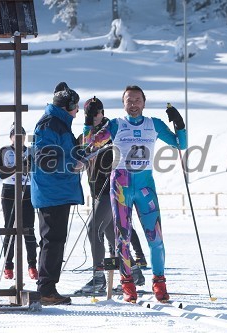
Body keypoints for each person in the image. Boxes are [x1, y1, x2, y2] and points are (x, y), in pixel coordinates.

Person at [83, 86, 187, 303]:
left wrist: (179, 124)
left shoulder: (154, 124)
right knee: (123, 238)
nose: (133, 104)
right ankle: (128, 285)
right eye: (129, 100)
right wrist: (88, 122)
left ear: (144, 102)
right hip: (121, 186)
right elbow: (89, 145)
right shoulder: (116, 125)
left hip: (145, 186)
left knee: (155, 238)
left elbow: (181, 144)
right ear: (123, 103)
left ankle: (159, 283)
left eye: (137, 100)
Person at [76, 97, 145, 295]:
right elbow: (81, 149)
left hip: (111, 187)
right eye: (89, 114)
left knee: (93, 228)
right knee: (109, 233)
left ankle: (98, 277)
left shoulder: (110, 129)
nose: (93, 117)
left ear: (102, 113)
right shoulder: (86, 133)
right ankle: (134, 271)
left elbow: (109, 147)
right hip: (97, 189)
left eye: (95, 113)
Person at [31, 82, 84, 305]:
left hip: (56, 190)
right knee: (52, 240)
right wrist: (72, 164)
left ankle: (48, 287)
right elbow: (45, 159)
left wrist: (80, 153)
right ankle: (45, 289)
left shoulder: (58, 122)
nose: (78, 111)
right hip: (52, 190)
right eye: (75, 107)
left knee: (54, 239)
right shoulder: (50, 124)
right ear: (66, 107)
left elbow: (61, 153)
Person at [0, 123, 38, 280]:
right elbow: (1, 173)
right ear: (11, 137)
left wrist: (29, 165)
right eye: (16, 135)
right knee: (10, 229)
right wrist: (19, 166)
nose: (19, 138)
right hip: (9, 190)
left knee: (29, 229)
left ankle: (32, 265)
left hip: (27, 190)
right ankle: (8, 266)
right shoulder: (5, 151)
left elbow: (36, 170)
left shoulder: (31, 151)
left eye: (21, 135)